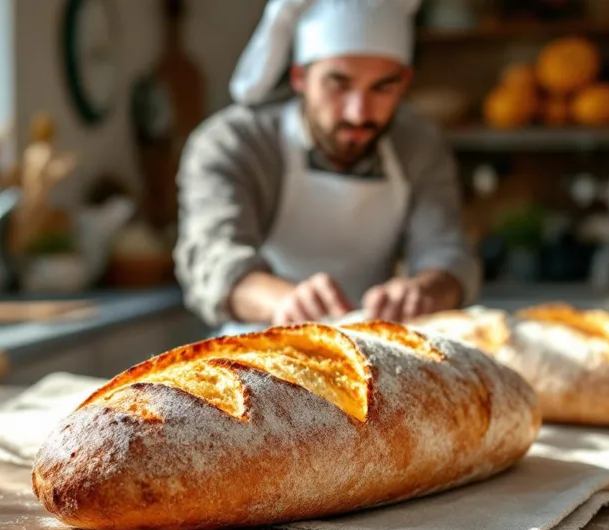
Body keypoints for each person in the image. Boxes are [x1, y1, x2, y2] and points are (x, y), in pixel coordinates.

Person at [174, 0, 480, 335]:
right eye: (339, 84)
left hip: (375, 348)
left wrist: (425, 291)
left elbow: (447, 252)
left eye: (383, 87)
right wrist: (285, 303)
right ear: (299, 77)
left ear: (405, 82)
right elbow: (211, 258)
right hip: (254, 348)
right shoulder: (235, 143)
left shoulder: (418, 145)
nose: (358, 113)